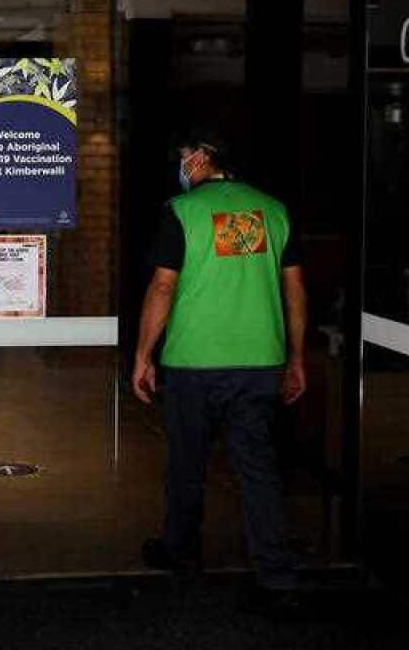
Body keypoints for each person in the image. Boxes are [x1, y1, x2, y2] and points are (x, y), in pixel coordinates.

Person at [131, 130, 308, 612]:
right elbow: (294, 291)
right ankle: (276, 574)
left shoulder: (181, 212)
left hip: (194, 361)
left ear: (205, 158)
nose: (181, 164)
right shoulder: (273, 211)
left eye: (185, 155)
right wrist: (295, 358)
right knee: (257, 466)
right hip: (259, 361)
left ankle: (180, 552)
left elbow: (162, 288)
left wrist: (143, 355)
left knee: (186, 461)